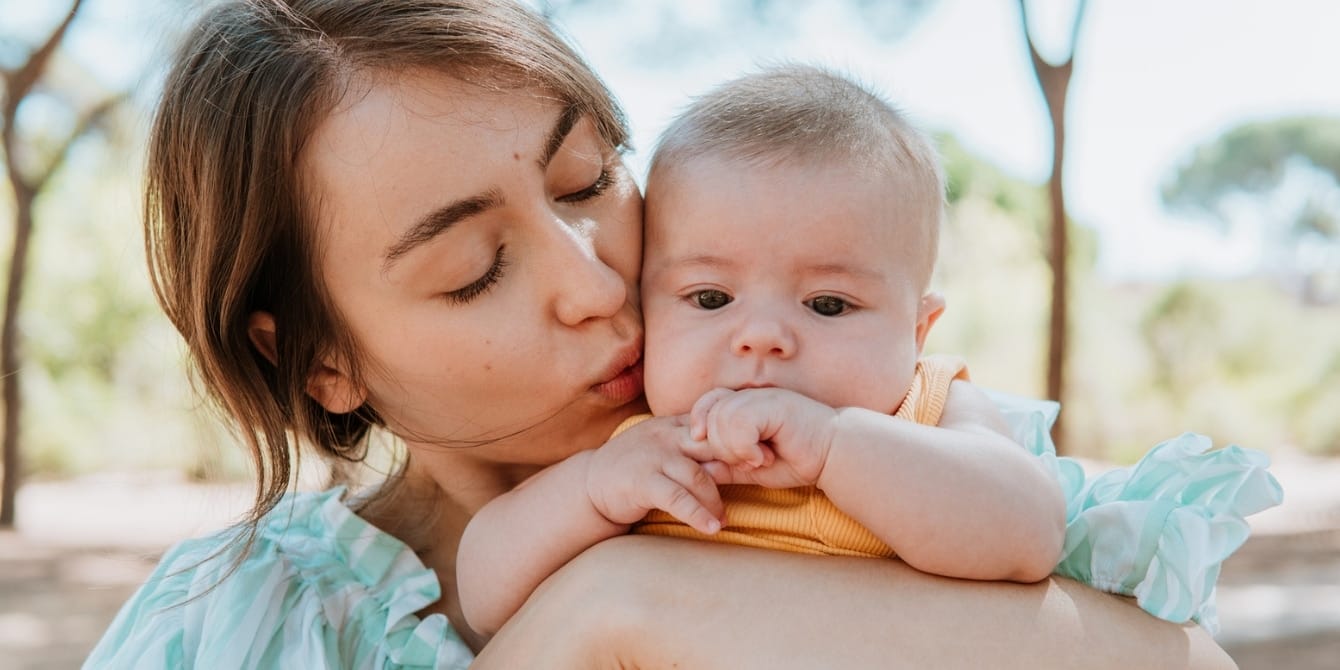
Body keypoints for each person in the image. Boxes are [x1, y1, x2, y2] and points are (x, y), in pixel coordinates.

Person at [87, 1, 1241, 668]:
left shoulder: (880, 417)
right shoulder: (236, 619)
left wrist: (641, 598)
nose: (594, 281)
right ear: (316, 359)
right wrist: (583, 625)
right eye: (473, 268)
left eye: (589, 179)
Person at [457, 65, 1071, 635]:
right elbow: (484, 594)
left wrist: (834, 444)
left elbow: (1031, 531)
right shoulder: (641, 444)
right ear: (648, 305)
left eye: (827, 304)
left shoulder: (930, 411)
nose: (761, 336)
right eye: (710, 297)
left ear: (917, 332)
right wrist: (592, 489)